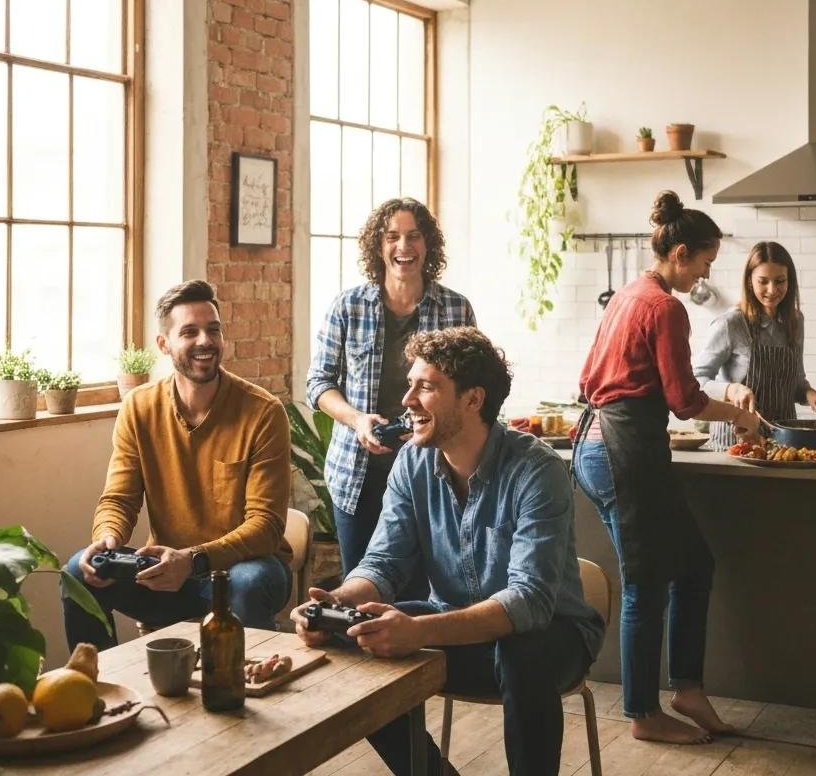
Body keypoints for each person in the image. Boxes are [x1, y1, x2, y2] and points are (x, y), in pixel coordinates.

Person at [293, 327, 605, 776]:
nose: (407, 400)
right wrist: (338, 604)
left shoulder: (537, 470)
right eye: (410, 384)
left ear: (473, 399)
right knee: (353, 638)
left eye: (426, 386)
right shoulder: (411, 461)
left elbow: (530, 601)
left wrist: (416, 631)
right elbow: (383, 562)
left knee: (522, 655)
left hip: (552, 636)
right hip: (457, 624)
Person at [572, 190, 762, 745]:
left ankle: (686, 688)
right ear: (680, 253)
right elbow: (684, 399)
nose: (705, 273)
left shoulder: (630, 294)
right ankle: (641, 714)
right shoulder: (664, 306)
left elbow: (587, 380)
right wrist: (739, 416)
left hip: (602, 442)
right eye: (705, 263)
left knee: (693, 565)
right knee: (645, 583)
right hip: (622, 450)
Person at [62, 279, 293, 650]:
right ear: (164, 344)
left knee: (248, 582)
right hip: (167, 575)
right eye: (190, 331)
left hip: (246, 567)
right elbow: (119, 499)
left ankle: (239, 689)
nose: (205, 340)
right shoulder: (139, 407)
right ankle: (94, 691)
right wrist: (106, 539)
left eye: (213, 330)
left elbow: (265, 527)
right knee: (79, 571)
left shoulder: (263, 412)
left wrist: (194, 559)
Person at [306, 198, 475, 593]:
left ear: (428, 244)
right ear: (378, 247)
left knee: (424, 596)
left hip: (433, 475)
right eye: (392, 237)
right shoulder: (348, 307)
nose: (404, 247)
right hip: (358, 477)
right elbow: (318, 383)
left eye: (414, 236)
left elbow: (473, 387)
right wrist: (357, 420)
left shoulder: (456, 309)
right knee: (361, 593)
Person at [693, 240, 816, 449]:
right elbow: (696, 382)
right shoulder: (731, 323)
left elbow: (796, 381)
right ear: (750, 281)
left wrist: (810, 394)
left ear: (790, 281)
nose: (772, 289)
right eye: (763, 281)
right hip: (736, 442)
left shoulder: (795, 321)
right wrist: (731, 390)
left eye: (780, 281)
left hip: (783, 444)